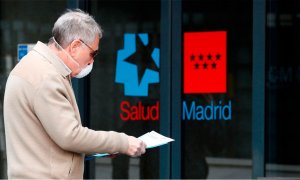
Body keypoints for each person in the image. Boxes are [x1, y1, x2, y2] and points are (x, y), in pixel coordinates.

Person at [3, 9, 146, 179]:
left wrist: (100, 148)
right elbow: (70, 136)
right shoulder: (46, 77)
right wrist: (122, 142)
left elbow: (46, 143)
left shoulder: (35, 66)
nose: (92, 61)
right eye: (93, 53)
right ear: (75, 46)